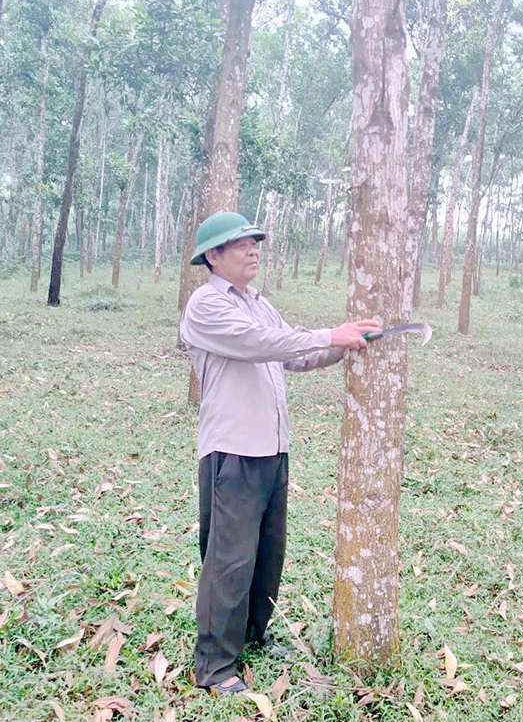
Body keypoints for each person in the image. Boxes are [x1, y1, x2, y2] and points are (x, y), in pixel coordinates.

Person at [179, 211, 380, 695]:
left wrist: (344, 342)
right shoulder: (205, 306)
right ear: (213, 256)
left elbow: (294, 353)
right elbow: (258, 344)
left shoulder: (259, 303)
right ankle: (214, 667)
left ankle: (253, 634)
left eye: (254, 242)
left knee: (268, 554)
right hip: (233, 450)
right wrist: (330, 334)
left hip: (271, 448)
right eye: (241, 244)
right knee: (229, 560)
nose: (253, 250)